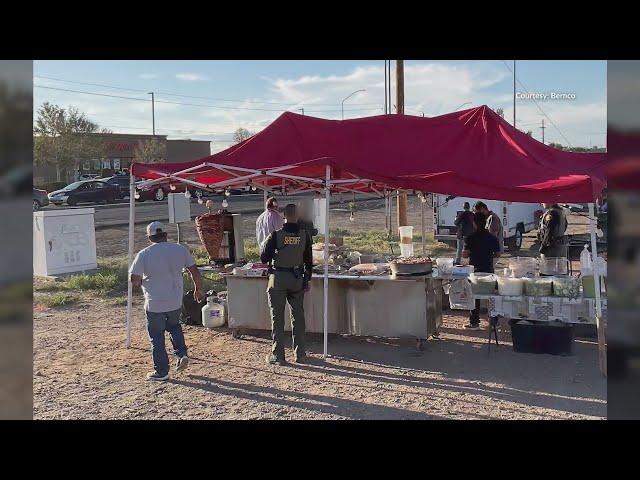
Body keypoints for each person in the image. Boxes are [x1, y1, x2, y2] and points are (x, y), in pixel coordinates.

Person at [129, 221, 205, 381]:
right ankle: (181, 353)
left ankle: (161, 371)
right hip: (175, 300)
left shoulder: (144, 254)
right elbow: (194, 271)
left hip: (154, 302)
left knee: (156, 337)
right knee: (174, 327)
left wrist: (143, 282)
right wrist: (198, 289)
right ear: (165, 235)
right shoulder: (179, 249)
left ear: (149, 237)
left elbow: (134, 278)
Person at [260, 204, 313, 365]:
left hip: (278, 279)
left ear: (284, 216)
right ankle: (300, 354)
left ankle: (279, 355)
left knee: (277, 318)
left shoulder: (275, 235)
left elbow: (263, 258)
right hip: (297, 279)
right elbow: (309, 262)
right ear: (297, 216)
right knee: (298, 317)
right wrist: (306, 280)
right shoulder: (305, 235)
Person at [462, 211, 500, 329]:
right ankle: (494, 322)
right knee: (491, 297)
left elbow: (465, 255)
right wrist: (488, 256)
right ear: (485, 223)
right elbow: (498, 254)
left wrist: (470, 252)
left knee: (474, 296)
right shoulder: (492, 238)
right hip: (488, 270)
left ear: (474, 223)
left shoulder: (470, 238)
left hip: (475, 271)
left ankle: (474, 322)